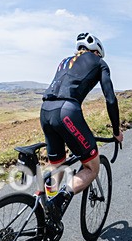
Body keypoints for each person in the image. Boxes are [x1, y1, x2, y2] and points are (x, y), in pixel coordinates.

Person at [40, 32, 124, 223]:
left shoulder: (64, 61)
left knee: (57, 167)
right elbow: (110, 99)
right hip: (67, 112)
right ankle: (57, 201)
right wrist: (116, 131)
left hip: (45, 111)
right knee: (91, 168)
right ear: (97, 52)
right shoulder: (99, 63)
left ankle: (47, 219)